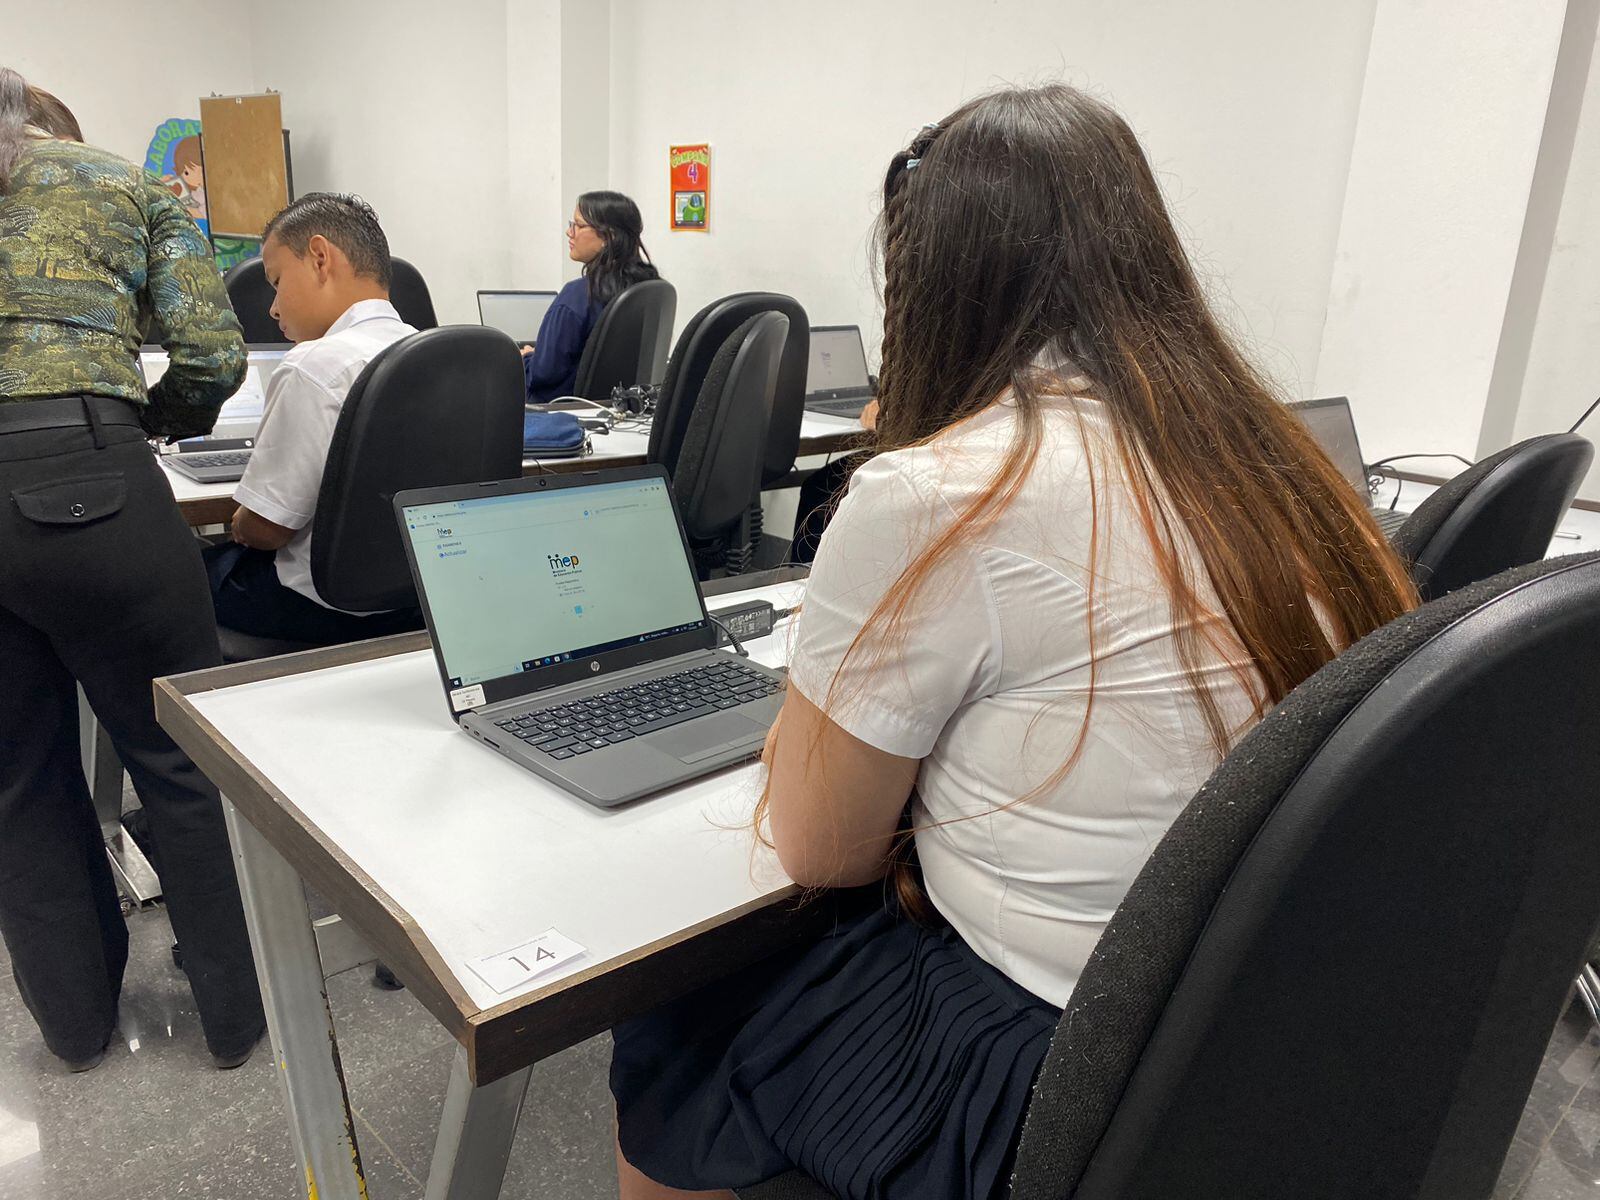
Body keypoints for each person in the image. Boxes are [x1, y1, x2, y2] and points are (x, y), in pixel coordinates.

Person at [609, 84, 1420, 1200]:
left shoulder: (937, 493)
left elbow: (822, 850)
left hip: (1047, 1066)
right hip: (1257, 1043)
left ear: (932, 282)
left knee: (675, 1026)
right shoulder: (1274, 463)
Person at [0, 67, 265, 1073]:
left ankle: (75, 1031)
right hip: (87, 478)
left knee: (17, 785)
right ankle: (237, 1019)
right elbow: (211, 355)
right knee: (180, 759)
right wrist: (135, 427)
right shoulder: (123, 183)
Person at [202, 193, 422, 646]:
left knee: (175, 569)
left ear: (320, 258)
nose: (272, 308)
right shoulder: (429, 352)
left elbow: (267, 529)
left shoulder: (315, 364)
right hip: (419, 604)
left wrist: (240, 522)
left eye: (277, 281)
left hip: (319, 610)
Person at [522, 190, 659, 403]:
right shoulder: (649, 287)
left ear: (609, 236)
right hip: (624, 408)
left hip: (560, 411)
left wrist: (528, 358)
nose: (569, 232)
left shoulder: (577, 297)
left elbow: (543, 374)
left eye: (578, 225)